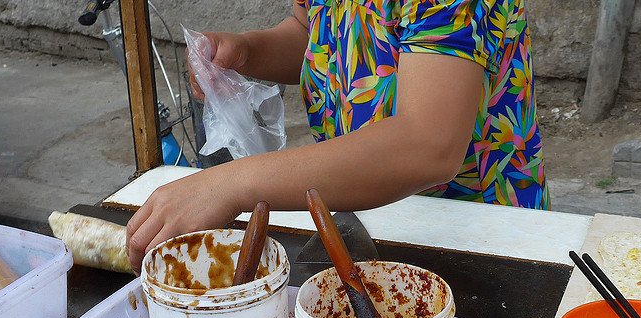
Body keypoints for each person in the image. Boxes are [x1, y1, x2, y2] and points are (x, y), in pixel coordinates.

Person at [126, 0, 549, 270]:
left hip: (479, 242)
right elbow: (314, 33)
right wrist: (250, 51)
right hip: (368, 215)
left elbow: (428, 145)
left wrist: (232, 183)